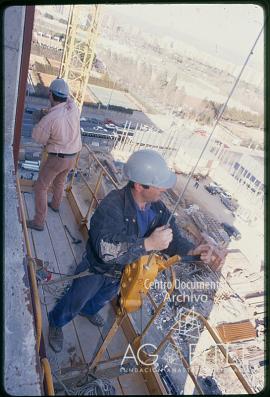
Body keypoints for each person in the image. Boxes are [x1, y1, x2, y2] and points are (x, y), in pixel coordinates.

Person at [48, 149, 223, 353]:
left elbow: (173, 239)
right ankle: (56, 323)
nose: (164, 190)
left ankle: (89, 311)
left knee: (100, 300)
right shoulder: (112, 206)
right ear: (140, 186)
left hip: (121, 272)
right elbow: (106, 250)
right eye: (160, 186)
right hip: (97, 269)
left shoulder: (157, 208)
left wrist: (193, 250)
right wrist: (147, 244)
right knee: (74, 301)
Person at [27, 78, 82, 231]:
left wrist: (40, 119)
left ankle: (38, 222)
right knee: (60, 181)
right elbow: (65, 103)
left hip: (58, 157)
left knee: (41, 187)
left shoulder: (49, 119)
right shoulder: (73, 108)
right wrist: (48, 112)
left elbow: (38, 138)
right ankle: (56, 205)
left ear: (50, 94)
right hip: (73, 155)